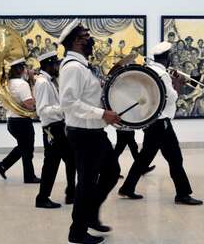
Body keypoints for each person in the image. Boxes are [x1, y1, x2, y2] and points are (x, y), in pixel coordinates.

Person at [58, 19, 121, 244]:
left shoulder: (83, 66)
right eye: (86, 36)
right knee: (86, 183)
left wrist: (106, 112)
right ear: (76, 41)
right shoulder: (73, 68)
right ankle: (77, 232)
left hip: (95, 132)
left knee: (112, 172)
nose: (91, 39)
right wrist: (102, 114)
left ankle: (90, 215)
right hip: (84, 134)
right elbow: (68, 102)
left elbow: (87, 97)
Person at [118, 41, 203, 206]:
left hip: (151, 121)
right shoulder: (163, 75)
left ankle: (127, 187)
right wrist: (177, 83)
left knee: (144, 158)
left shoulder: (148, 71)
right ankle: (183, 194)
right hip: (161, 123)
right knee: (175, 158)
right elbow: (172, 97)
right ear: (168, 58)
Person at [34, 50, 76, 209]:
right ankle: (42, 198)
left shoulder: (51, 80)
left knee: (71, 160)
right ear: (48, 64)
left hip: (59, 126)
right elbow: (42, 110)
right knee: (52, 164)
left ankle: (71, 193)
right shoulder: (43, 83)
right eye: (56, 64)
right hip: (52, 129)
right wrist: (63, 108)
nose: (58, 66)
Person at [0, 58, 40, 184]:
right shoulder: (22, 84)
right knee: (27, 149)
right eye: (25, 67)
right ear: (20, 69)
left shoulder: (8, 84)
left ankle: (3, 165)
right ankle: (29, 176)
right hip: (22, 122)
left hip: (12, 121)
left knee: (24, 148)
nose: (28, 70)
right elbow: (30, 105)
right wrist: (32, 82)